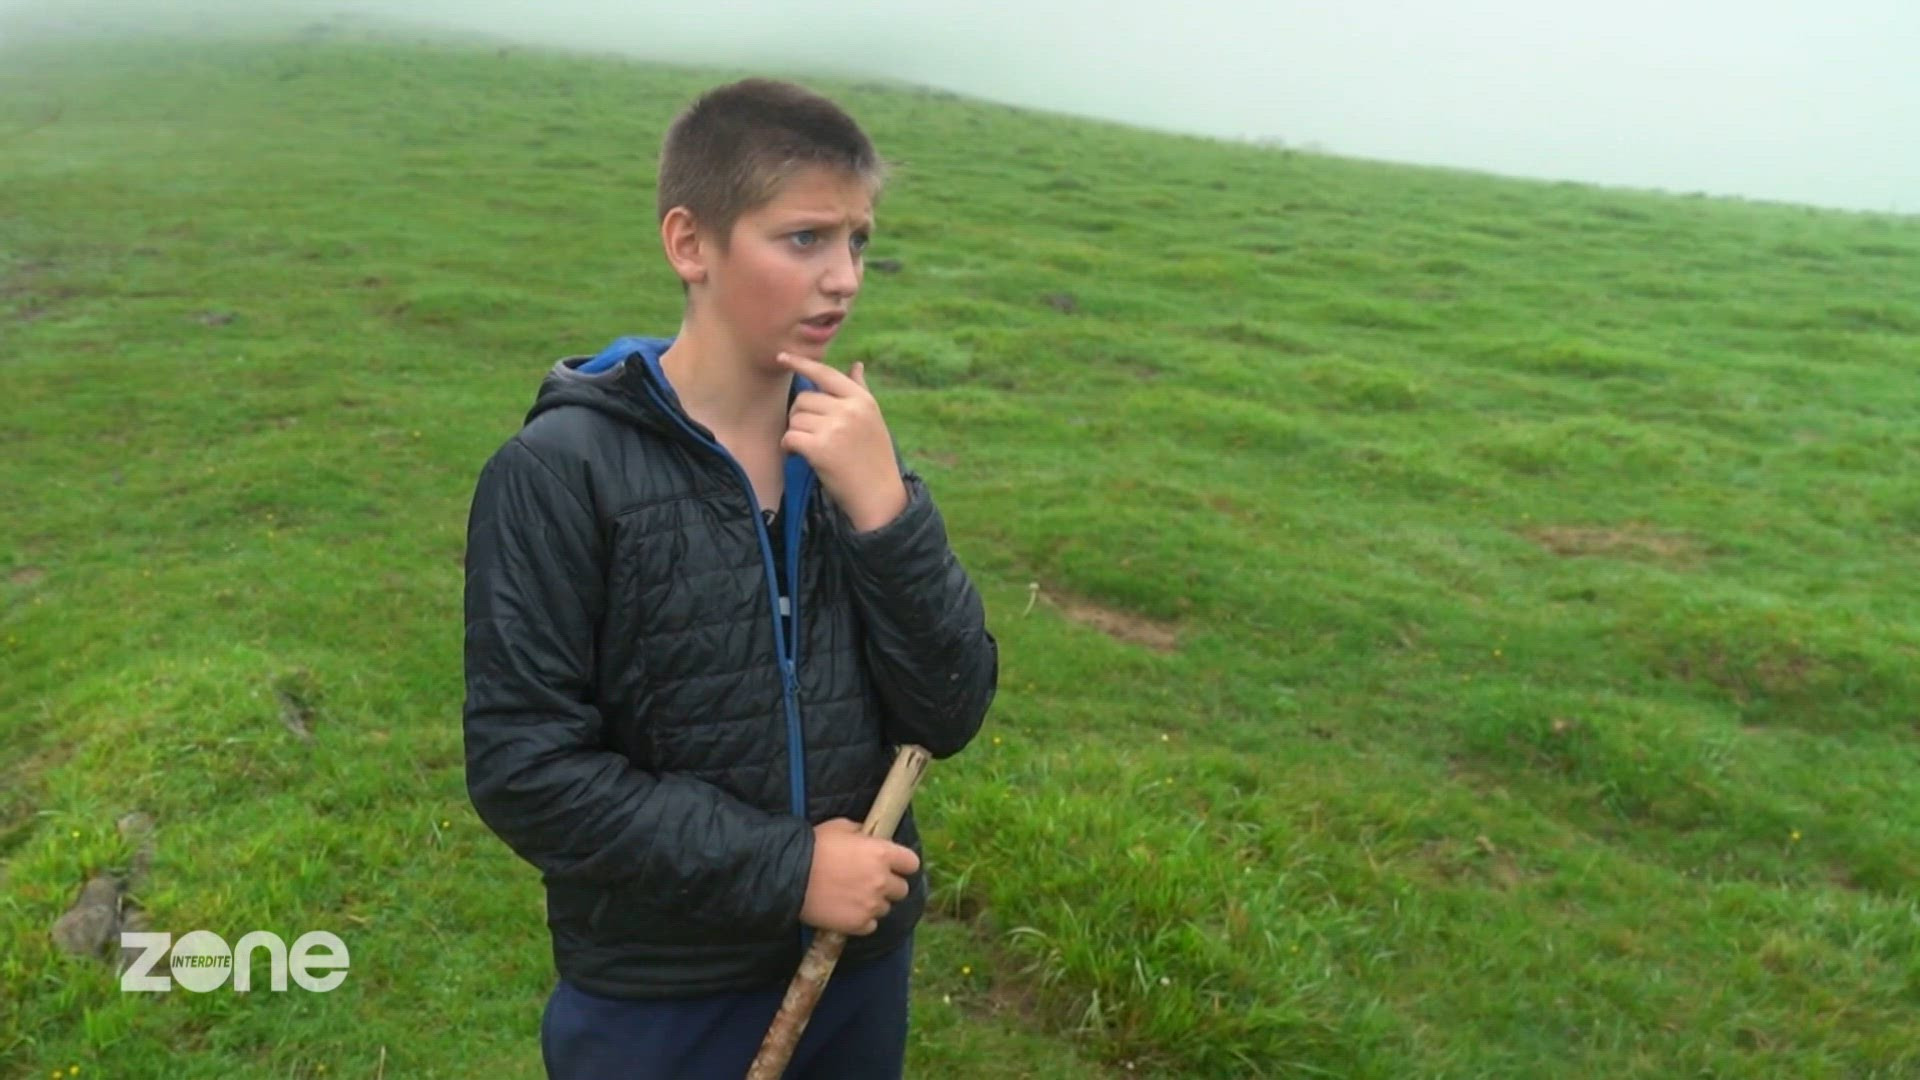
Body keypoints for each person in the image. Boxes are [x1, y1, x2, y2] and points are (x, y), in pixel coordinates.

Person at [461, 76, 998, 1079]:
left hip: (855, 975)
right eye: (803, 239)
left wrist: (885, 515)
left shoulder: (851, 459)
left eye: (858, 242)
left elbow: (951, 710)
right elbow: (525, 772)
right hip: (659, 995)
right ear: (690, 244)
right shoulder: (562, 472)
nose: (842, 278)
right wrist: (791, 869)